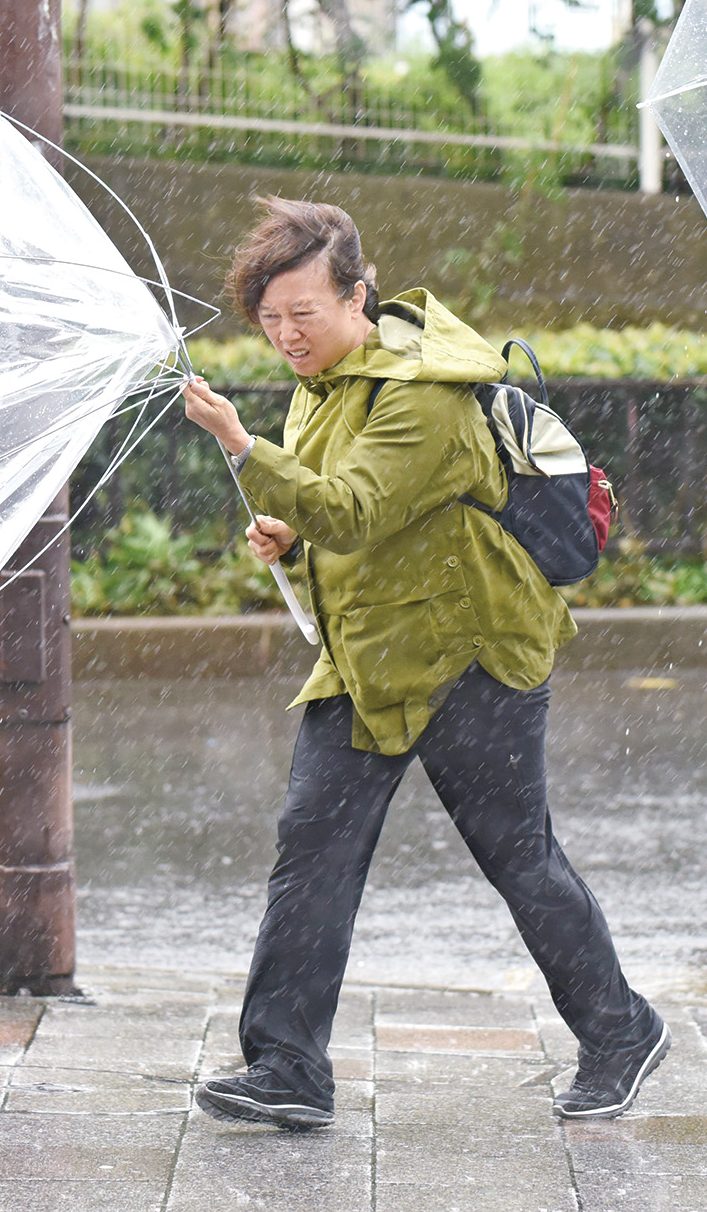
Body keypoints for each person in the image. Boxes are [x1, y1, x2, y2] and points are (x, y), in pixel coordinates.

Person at [180, 198, 668, 1130]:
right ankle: (287, 1067)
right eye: (270, 319)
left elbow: (360, 507)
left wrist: (245, 448)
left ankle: (620, 1030)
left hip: (470, 656)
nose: (286, 336)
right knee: (312, 851)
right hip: (372, 655)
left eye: (304, 315)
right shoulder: (325, 379)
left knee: (517, 856)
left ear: (358, 295)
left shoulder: (424, 393)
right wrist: (292, 536)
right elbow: (348, 518)